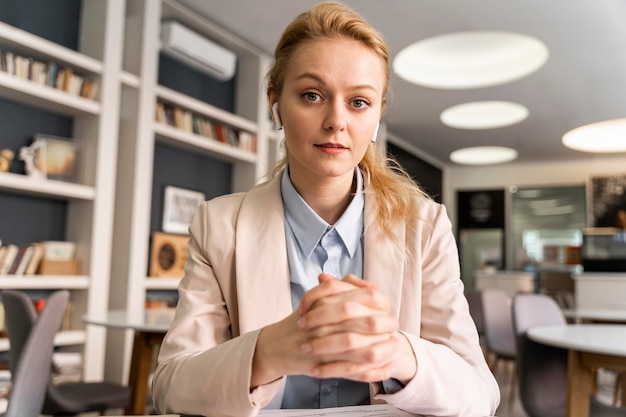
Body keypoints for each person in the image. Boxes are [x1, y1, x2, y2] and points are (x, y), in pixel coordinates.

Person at [152, 2, 500, 416]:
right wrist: (267, 352)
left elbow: (480, 396)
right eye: (312, 95)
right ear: (275, 102)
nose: (337, 121)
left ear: (377, 116)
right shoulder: (218, 226)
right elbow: (171, 385)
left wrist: (394, 353)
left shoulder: (425, 227)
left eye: (359, 103)